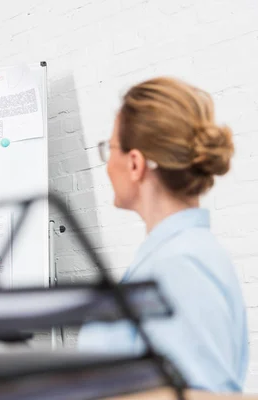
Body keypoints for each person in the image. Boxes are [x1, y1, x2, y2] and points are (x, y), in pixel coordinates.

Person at [77, 77, 248, 392]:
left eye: (110, 148)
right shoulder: (173, 256)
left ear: (135, 163)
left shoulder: (180, 265)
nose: (106, 165)